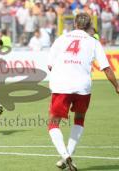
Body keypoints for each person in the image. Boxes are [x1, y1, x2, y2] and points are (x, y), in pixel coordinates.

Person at [47, 13, 119, 171]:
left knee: (53, 123)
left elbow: (50, 65)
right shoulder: (94, 42)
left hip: (61, 85)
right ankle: (68, 155)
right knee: (79, 119)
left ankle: (65, 155)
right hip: (83, 86)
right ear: (89, 26)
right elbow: (106, 68)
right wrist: (116, 86)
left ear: (74, 24)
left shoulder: (61, 39)